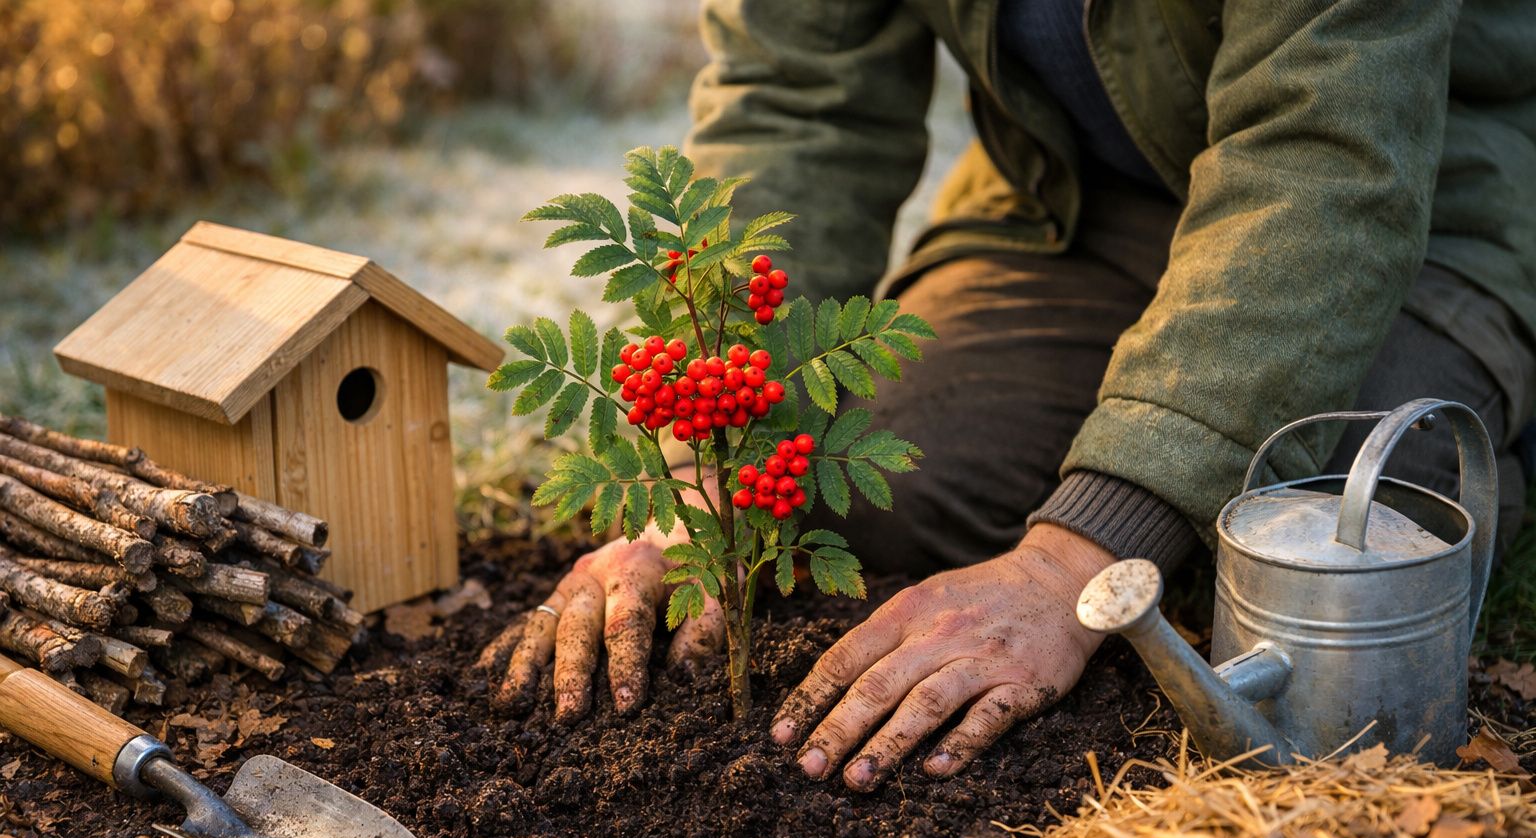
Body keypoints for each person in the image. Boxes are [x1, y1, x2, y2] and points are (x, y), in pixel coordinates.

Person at [485, 0, 1536, 790]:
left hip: (1429, 200)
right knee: (879, 492)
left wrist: (1070, 565)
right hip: (1070, 202)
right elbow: (796, 106)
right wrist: (701, 469)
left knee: (1309, 551)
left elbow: (1325, 148)